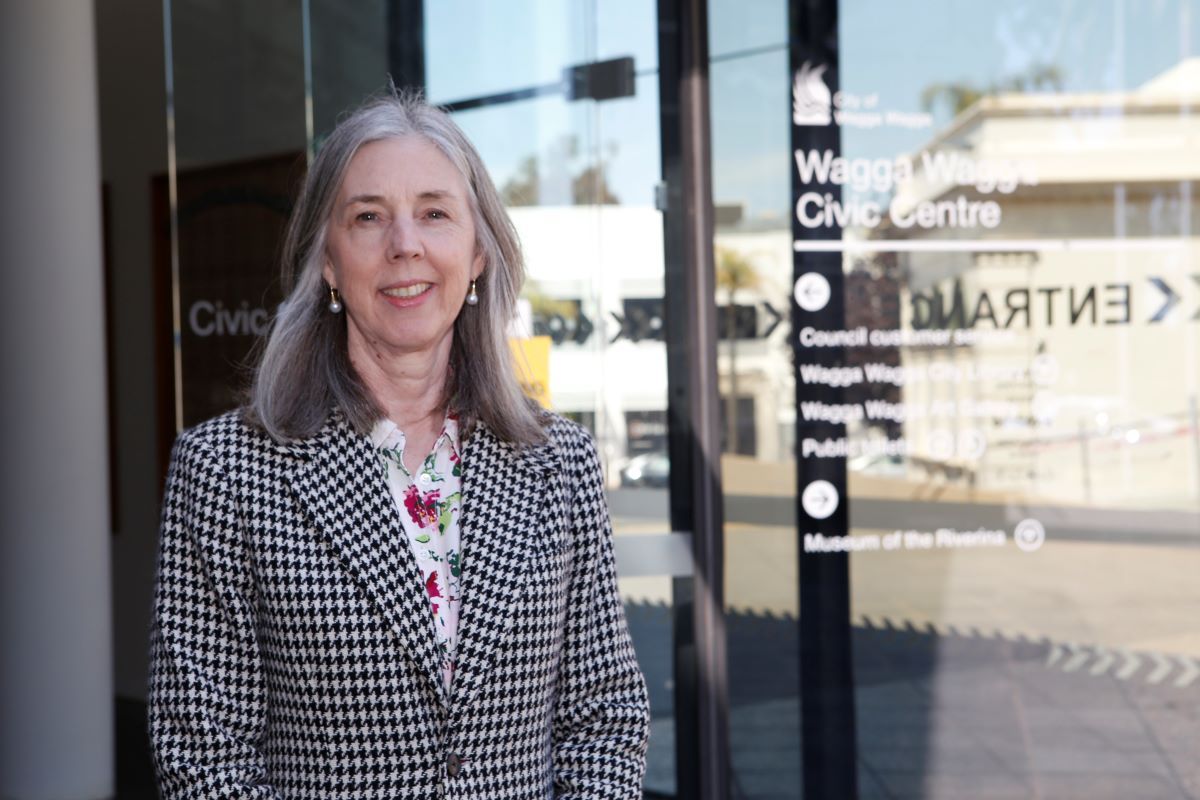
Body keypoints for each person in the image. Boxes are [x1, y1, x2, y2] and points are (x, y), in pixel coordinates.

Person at [148, 92, 650, 798]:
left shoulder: (558, 462)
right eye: (368, 217)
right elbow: (203, 754)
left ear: (478, 253)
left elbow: (605, 716)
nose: (404, 244)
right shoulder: (226, 472)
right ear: (328, 259)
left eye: (435, 213)